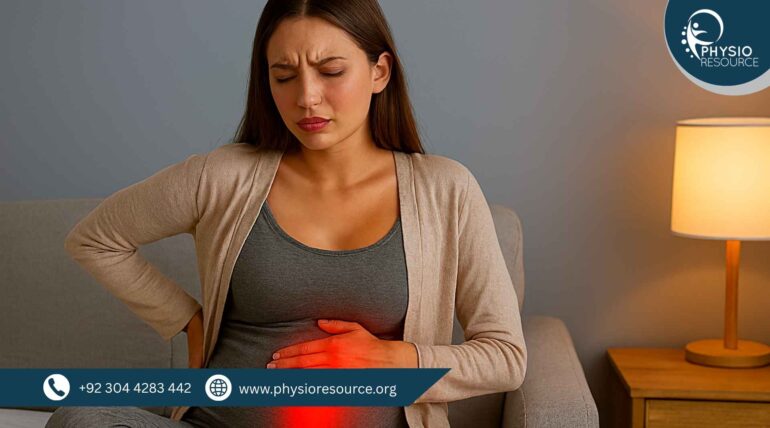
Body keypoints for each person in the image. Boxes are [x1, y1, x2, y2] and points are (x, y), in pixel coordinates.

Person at [47, 0, 527, 427]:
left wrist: (397, 358)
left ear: (380, 72)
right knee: (80, 415)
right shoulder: (222, 176)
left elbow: (506, 357)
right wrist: (187, 319)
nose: (306, 97)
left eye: (331, 71)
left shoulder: (446, 189)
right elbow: (94, 239)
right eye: (284, 75)